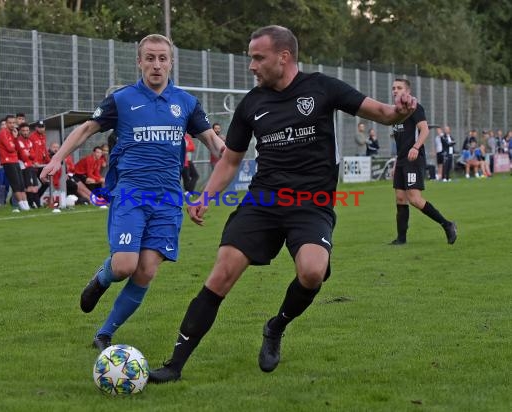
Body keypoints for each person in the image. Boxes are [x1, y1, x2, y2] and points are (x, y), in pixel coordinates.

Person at [148, 25, 420, 383]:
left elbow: (383, 113)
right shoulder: (251, 104)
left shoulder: (322, 87)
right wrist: (205, 196)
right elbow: (230, 160)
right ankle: (175, 365)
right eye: (251, 58)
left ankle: (276, 326)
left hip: (312, 203)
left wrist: (401, 110)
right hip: (263, 201)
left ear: (284, 57)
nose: (252, 66)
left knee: (311, 272)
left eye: (258, 58)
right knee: (221, 274)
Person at [39, 33, 223, 351]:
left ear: (171, 62)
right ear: (139, 61)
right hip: (131, 194)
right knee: (124, 265)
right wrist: (57, 159)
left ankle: (105, 333)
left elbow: (214, 143)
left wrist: (230, 159)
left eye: (162, 58)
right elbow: (86, 128)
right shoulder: (122, 100)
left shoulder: (187, 103)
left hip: (167, 199)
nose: (156, 64)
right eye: (149, 58)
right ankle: (101, 279)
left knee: (146, 270)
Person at [389, 79, 457, 245]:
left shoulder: (415, 108)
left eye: (399, 88)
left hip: (413, 158)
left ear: (408, 91)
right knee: (400, 197)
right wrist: (396, 163)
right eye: (393, 88)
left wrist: (416, 147)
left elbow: (425, 130)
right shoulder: (395, 112)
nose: (395, 91)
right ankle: (401, 239)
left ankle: (447, 225)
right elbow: (399, 141)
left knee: (414, 199)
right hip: (402, 160)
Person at [0, 114, 31, 211]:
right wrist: (15, 139)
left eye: (13, 123)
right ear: (6, 124)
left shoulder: (13, 133)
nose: (12, 125)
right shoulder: (3, 133)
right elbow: (10, 148)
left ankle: (26, 204)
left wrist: (15, 139)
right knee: (15, 185)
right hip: (8, 162)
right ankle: (22, 205)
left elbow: (18, 148)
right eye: (10, 123)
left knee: (21, 184)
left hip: (15, 161)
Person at [30, 120, 50, 206]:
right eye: (39, 127)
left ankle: (36, 199)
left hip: (41, 164)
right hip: (34, 165)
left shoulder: (43, 137)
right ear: (36, 128)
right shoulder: (32, 137)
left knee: (46, 183)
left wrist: (49, 161)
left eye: (43, 127)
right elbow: (31, 150)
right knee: (33, 185)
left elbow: (44, 150)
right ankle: (34, 203)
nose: (41, 129)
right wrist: (34, 161)